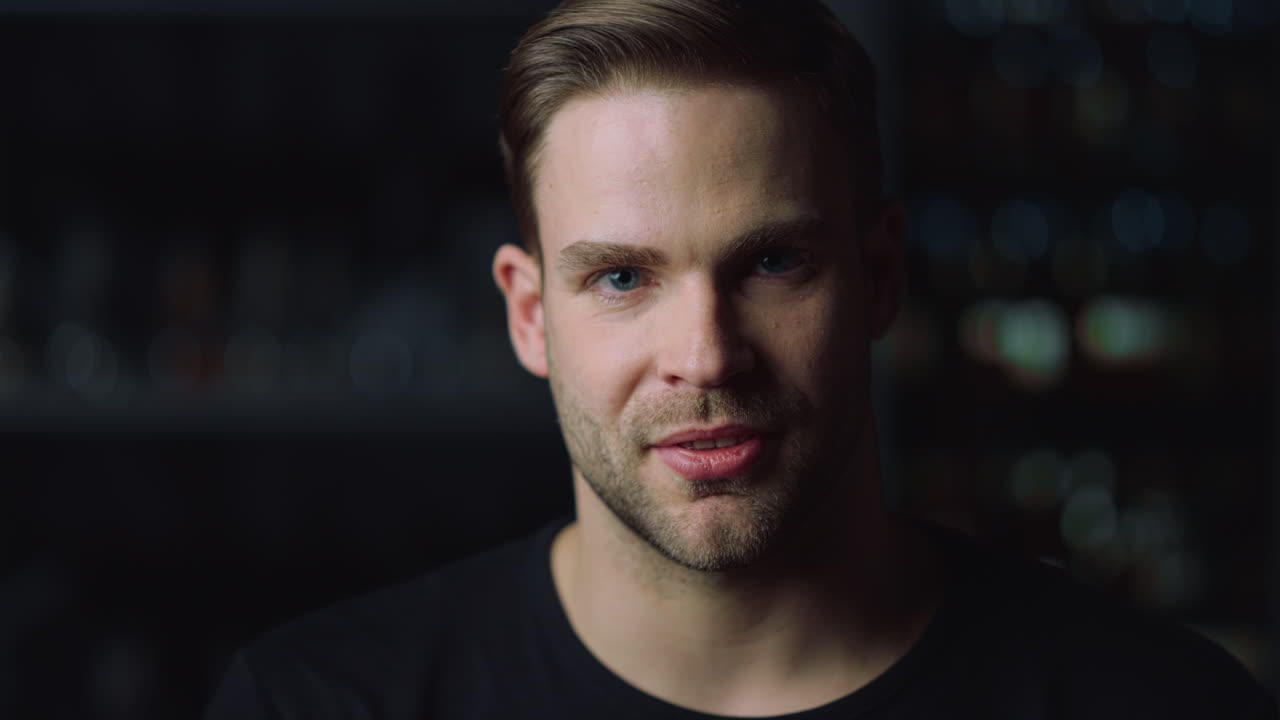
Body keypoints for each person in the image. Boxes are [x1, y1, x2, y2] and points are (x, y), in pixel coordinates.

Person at [203, 1, 1277, 717]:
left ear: (881, 277)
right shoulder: (317, 704)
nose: (705, 355)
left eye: (770, 262)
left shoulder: (1152, 702)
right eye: (620, 278)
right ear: (529, 316)